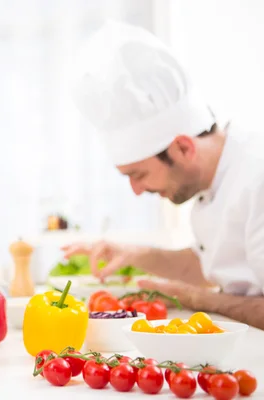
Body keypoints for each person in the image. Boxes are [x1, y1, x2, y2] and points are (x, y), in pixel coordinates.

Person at [64, 20, 264, 330]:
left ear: (183, 148)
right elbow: (213, 267)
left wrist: (197, 299)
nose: (136, 190)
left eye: (139, 174)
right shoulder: (213, 182)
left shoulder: (257, 178)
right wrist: (134, 254)